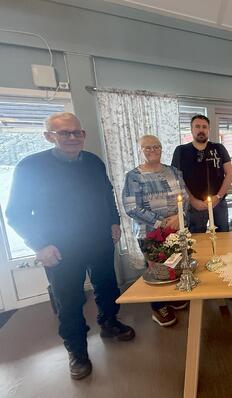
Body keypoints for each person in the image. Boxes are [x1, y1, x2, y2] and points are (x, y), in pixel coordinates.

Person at [6, 112, 135, 380]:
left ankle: (109, 322)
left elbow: (107, 194)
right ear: (48, 136)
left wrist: (114, 221)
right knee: (70, 301)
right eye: (65, 133)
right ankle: (77, 351)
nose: (73, 138)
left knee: (108, 287)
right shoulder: (30, 167)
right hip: (60, 249)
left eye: (78, 132)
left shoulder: (93, 162)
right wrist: (39, 245)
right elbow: (16, 213)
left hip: (99, 241)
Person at [122, 135, 189, 327]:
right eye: (147, 148)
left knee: (175, 266)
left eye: (156, 147)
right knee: (156, 271)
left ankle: (172, 297)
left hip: (176, 228)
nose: (153, 150)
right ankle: (158, 306)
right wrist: (161, 222)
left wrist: (178, 217)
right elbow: (132, 207)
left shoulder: (174, 171)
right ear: (140, 150)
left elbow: (184, 197)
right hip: (149, 232)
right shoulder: (133, 176)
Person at [171, 115, 232, 233]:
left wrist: (218, 197)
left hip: (218, 203)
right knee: (197, 241)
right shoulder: (181, 151)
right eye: (197, 126)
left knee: (223, 237)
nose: (201, 130)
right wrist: (192, 200)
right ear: (191, 129)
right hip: (195, 206)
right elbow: (176, 179)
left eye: (204, 127)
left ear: (208, 130)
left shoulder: (219, 148)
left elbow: (230, 174)